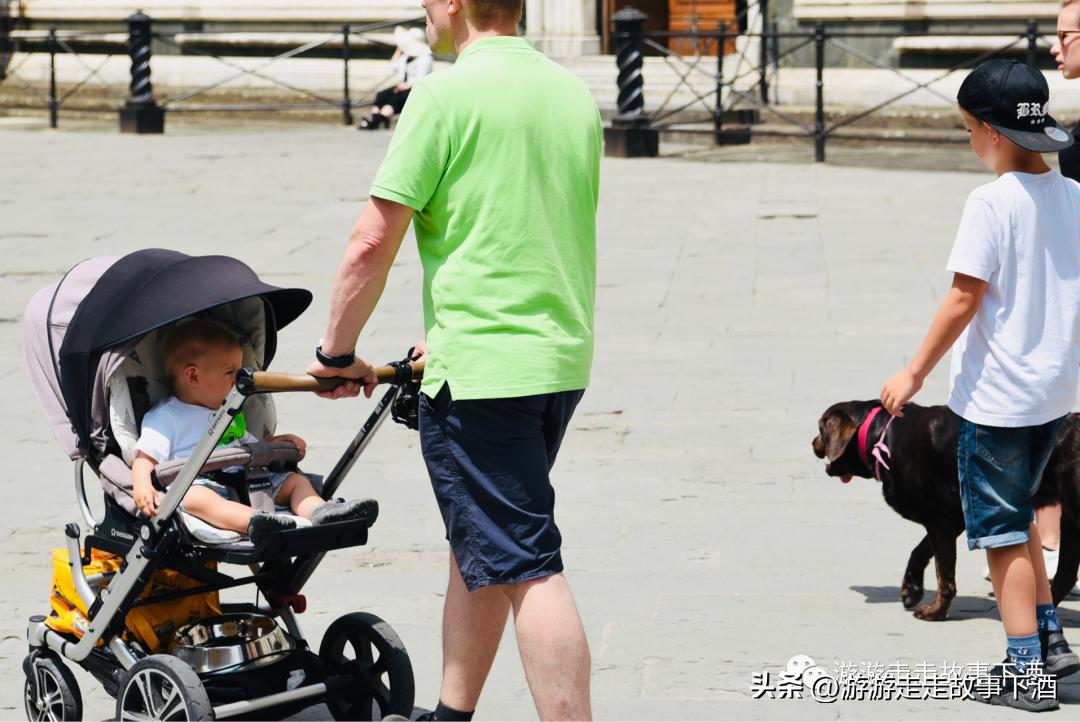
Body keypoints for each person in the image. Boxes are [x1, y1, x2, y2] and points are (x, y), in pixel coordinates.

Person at [306, 0, 602, 717]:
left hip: (483, 373)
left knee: (528, 563)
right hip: (556, 358)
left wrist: (336, 352)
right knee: (485, 542)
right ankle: (451, 712)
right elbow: (526, 228)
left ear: (455, 3)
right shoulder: (572, 93)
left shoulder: (441, 96)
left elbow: (370, 242)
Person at [879, 59, 1080, 711]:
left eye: (968, 130)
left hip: (997, 401)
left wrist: (914, 371)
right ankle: (1052, 646)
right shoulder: (1075, 196)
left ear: (992, 133)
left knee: (1000, 534)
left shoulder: (990, 202)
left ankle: (1024, 673)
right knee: (1019, 516)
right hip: (1053, 395)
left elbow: (964, 297)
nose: (970, 141)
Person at [132, 318, 377, 544]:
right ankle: (256, 522)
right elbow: (144, 458)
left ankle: (320, 511)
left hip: (251, 479)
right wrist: (143, 487)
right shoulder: (166, 417)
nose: (237, 380)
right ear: (193, 376)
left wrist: (275, 442)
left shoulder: (230, 411)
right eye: (230, 373)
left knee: (295, 481)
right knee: (193, 499)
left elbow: (250, 446)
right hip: (203, 484)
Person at [358, 26, 434, 130]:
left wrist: (405, 87)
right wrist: (399, 49)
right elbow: (393, 66)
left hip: (415, 88)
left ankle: (375, 120)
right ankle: (375, 118)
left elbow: (421, 78)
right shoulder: (406, 56)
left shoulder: (425, 58)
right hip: (402, 86)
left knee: (396, 99)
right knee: (381, 95)